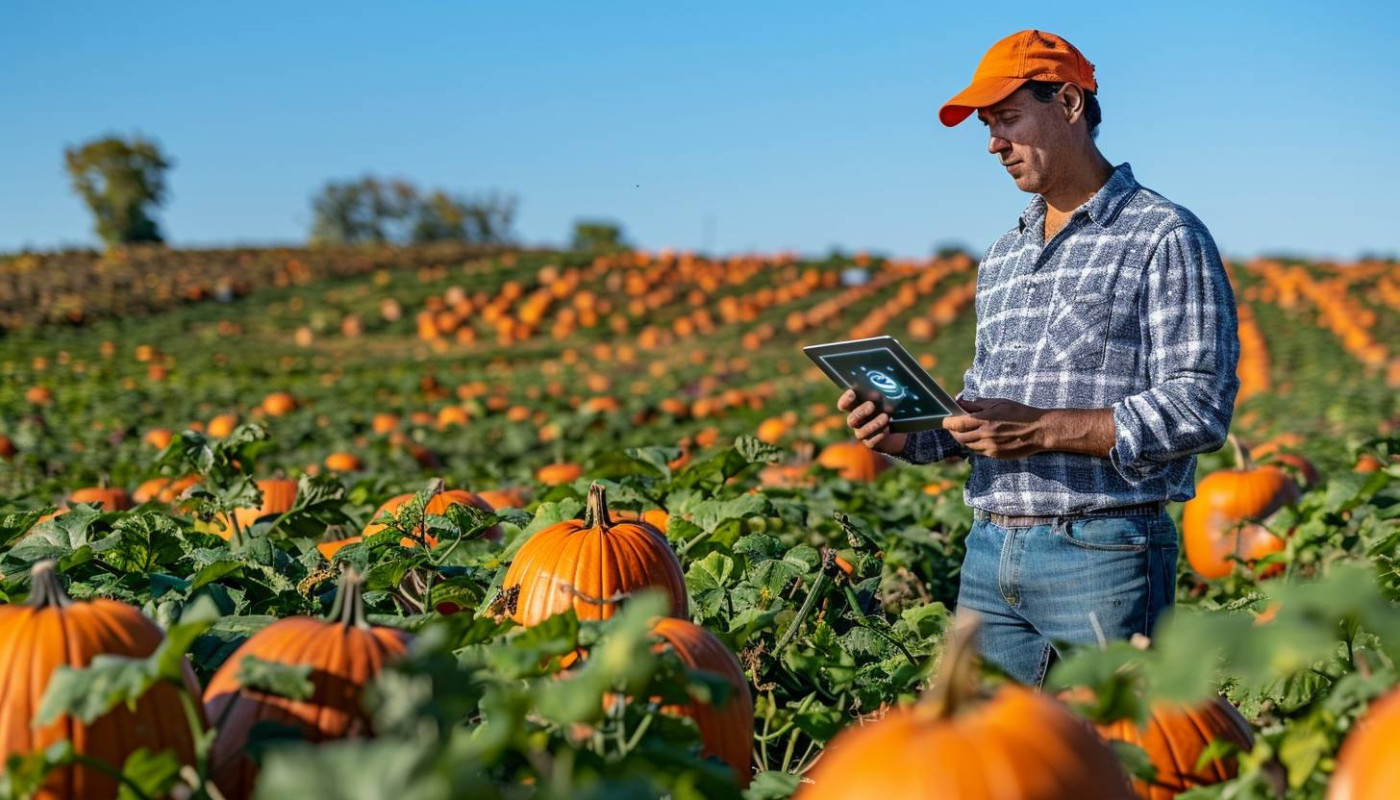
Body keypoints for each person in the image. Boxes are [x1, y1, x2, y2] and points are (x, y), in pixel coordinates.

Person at [838, 29, 1240, 686]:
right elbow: (986, 416)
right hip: (989, 552)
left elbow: (1200, 405)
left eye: (1006, 120)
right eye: (987, 127)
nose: (994, 143)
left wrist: (1041, 427)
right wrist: (908, 435)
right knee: (981, 770)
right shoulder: (1003, 256)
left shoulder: (1164, 234)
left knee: (1110, 762)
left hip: (1102, 551)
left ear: (1070, 104)